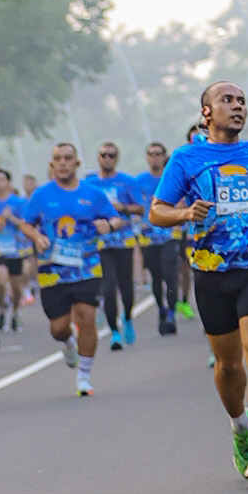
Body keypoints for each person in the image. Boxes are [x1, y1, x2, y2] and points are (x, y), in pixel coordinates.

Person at [152, 82, 248, 483]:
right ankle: (240, 426)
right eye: (227, 100)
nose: (237, 107)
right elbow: (157, 211)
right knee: (228, 365)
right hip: (212, 271)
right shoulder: (186, 158)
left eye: (242, 102)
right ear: (207, 112)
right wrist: (185, 214)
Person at [12, 142, 122, 398]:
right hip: (52, 271)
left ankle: (84, 375)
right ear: (52, 164)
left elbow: (115, 218)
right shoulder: (41, 195)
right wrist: (36, 236)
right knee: (59, 328)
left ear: (77, 163)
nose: (62, 163)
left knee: (86, 317)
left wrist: (109, 226)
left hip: (86, 268)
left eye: (67, 158)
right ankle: (68, 342)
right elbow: (26, 224)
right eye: (58, 159)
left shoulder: (93, 193)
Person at [92, 141, 142, 349]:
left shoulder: (127, 181)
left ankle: (127, 318)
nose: (107, 159)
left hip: (123, 241)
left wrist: (122, 207)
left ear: (117, 158)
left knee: (126, 287)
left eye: (111, 155)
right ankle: (114, 332)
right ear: (98, 157)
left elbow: (140, 208)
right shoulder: (90, 184)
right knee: (109, 288)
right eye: (104, 155)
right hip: (102, 244)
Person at [137, 138, 181, 334]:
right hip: (149, 237)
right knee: (156, 277)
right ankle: (161, 309)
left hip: (171, 234)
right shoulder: (139, 182)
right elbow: (134, 205)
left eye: (158, 154)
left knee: (171, 275)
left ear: (164, 156)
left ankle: (171, 313)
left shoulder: (174, 178)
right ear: (147, 158)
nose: (154, 158)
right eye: (151, 154)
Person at [0, 166, 32, 336]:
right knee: (0, 280)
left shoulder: (18, 202)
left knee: (16, 286)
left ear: (8, 182)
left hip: (15, 250)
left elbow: (26, 224)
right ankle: (1, 308)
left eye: (2, 180)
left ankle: (15, 312)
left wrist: (10, 217)